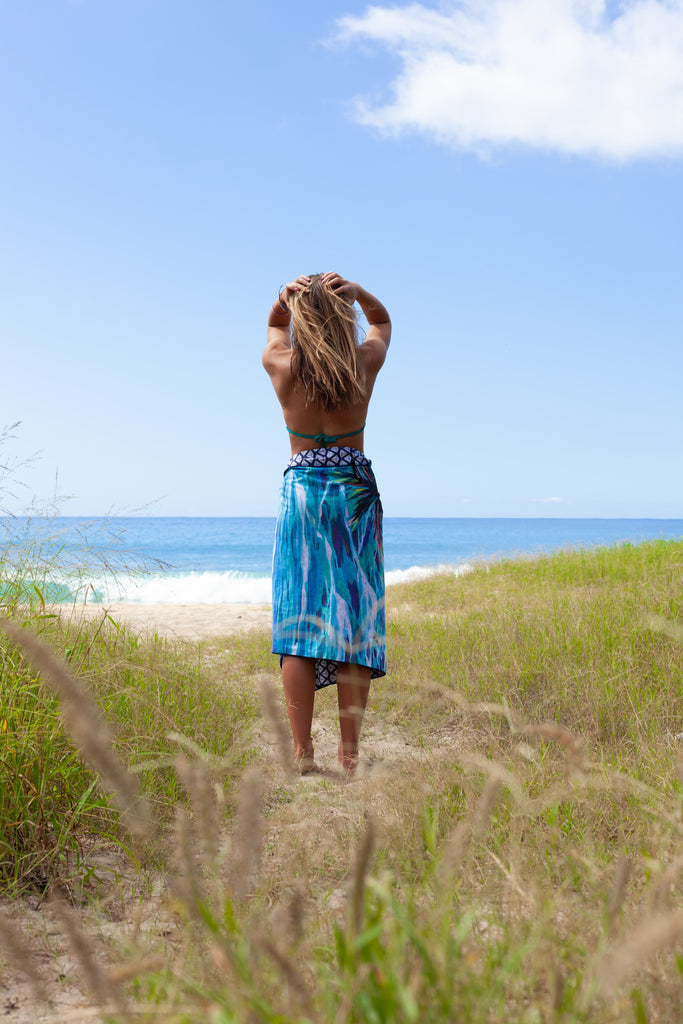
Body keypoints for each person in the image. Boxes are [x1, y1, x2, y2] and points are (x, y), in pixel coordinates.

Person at [262, 272, 391, 775]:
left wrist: (283, 302)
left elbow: (274, 329)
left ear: (299, 319)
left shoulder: (282, 367)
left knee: (297, 624)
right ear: (343, 317)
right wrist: (358, 292)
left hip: (302, 494)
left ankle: (302, 754)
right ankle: (350, 754)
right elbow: (382, 322)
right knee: (354, 623)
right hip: (354, 493)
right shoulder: (361, 364)